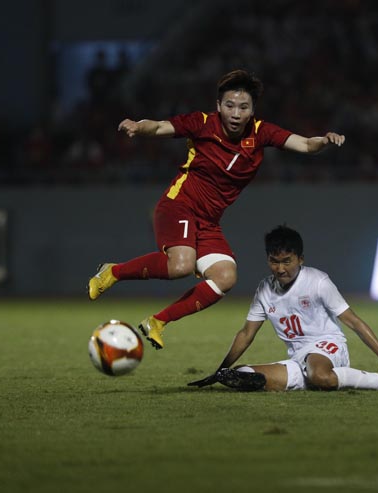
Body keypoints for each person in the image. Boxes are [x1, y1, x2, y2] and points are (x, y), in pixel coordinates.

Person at [87, 70, 346, 349]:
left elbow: (307, 144)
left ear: (252, 110)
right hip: (179, 204)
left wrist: (324, 140)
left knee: (225, 276)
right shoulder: (201, 123)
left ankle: (157, 322)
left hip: (208, 221)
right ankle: (113, 272)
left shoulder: (261, 133)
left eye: (243, 107)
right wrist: (138, 126)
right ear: (219, 106)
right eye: (230, 106)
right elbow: (160, 127)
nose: (236, 113)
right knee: (181, 265)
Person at [187, 225, 378, 392]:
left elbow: (353, 321)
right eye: (274, 261)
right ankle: (312, 379)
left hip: (329, 347)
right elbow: (246, 334)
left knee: (319, 374)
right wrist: (220, 370)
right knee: (241, 375)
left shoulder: (318, 282)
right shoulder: (264, 290)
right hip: (298, 357)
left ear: (300, 259)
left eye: (287, 261)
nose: (280, 269)